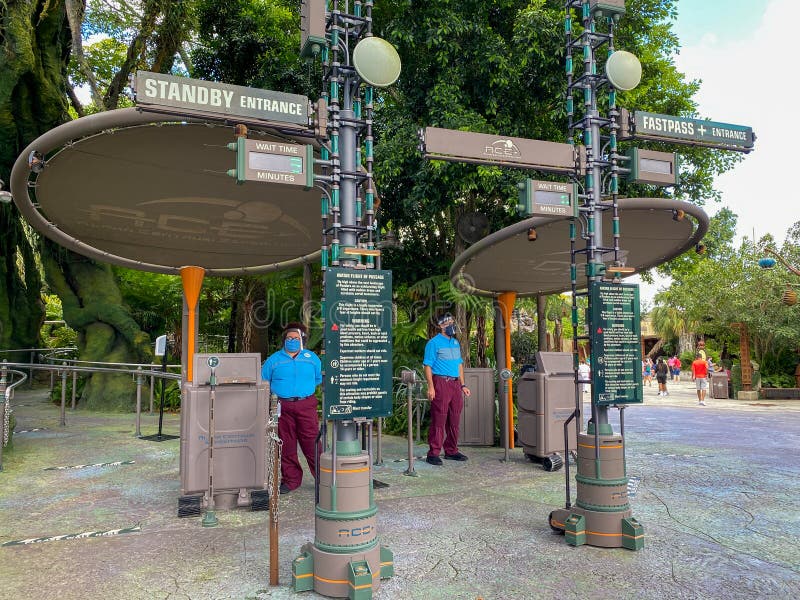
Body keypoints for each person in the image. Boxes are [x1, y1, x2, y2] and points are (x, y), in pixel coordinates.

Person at [261, 322, 322, 494]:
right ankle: (291, 480)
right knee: (286, 443)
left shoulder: (312, 358)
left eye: (296, 338)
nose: (292, 341)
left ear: (303, 340)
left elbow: (317, 379)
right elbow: (265, 381)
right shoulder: (274, 360)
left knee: (312, 442)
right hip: (282, 405)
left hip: (306, 404)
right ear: (284, 340)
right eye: (289, 338)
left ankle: (322, 478)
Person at [424, 313, 471, 465]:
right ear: (441, 325)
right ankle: (433, 453)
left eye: (452, 322)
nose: (451, 325)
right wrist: (431, 387)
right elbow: (428, 365)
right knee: (439, 418)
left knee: (454, 418)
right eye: (448, 323)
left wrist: (463, 385)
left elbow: (459, 365)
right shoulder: (433, 343)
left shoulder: (455, 343)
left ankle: (451, 451)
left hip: (455, 384)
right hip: (441, 382)